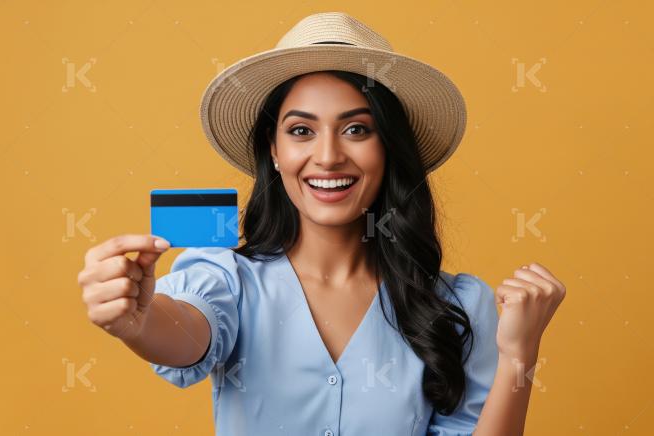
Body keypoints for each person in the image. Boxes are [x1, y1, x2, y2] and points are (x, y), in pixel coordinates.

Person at [77, 12, 566, 436]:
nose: (328, 156)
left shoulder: (458, 306)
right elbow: (182, 331)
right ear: (274, 151)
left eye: (356, 129)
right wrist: (138, 321)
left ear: (388, 147)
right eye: (301, 130)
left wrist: (518, 355)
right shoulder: (228, 278)